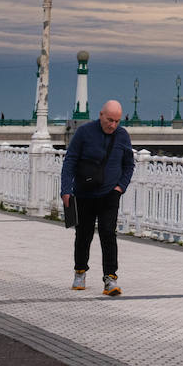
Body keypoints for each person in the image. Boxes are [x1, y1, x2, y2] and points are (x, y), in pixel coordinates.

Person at [61, 100, 134, 296]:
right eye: (110, 120)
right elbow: (70, 161)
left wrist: (120, 187)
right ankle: (80, 271)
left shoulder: (122, 136)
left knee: (108, 233)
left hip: (110, 193)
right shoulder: (84, 133)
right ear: (101, 115)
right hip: (84, 192)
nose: (113, 125)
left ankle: (110, 278)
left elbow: (129, 165)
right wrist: (66, 190)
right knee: (83, 234)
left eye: (117, 121)